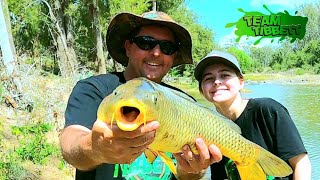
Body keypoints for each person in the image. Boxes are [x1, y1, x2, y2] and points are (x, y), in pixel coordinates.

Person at [59, 11, 222, 180]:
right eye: (146, 43)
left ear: (173, 56)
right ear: (128, 47)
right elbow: (71, 143)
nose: (157, 52)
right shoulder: (94, 88)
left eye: (167, 47)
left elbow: (189, 176)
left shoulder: (184, 102)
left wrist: (191, 170)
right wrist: (94, 149)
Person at [194, 50, 312, 180]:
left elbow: (301, 163)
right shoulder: (208, 127)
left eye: (225, 75)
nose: (217, 82)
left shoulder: (267, 110)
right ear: (201, 90)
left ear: (241, 82)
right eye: (208, 78)